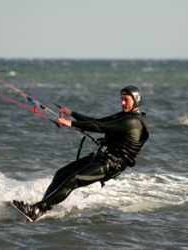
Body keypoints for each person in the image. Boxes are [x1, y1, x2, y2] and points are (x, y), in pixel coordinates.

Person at [12, 86, 149, 221]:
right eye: (121, 99)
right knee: (61, 174)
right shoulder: (122, 116)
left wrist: (71, 123)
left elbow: (101, 128)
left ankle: (37, 209)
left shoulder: (133, 122)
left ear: (136, 100)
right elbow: (97, 121)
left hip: (113, 164)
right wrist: (72, 113)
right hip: (102, 157)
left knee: (74, 180)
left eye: (126, 100)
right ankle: (39, 209)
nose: (123, 103)